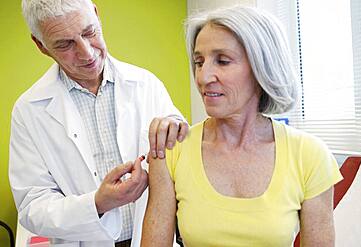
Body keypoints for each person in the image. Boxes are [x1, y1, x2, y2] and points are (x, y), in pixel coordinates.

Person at [141, 5, 343, 247]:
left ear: (261, 69)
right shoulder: (172, 150)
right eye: (199, 61)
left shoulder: (310, 155)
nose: (203, 77)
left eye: (223, 61)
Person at [9, 0, 188, 246]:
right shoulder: (28, 110)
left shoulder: (146, 85)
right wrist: (98, 203)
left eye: (89, 32)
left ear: (95, 13)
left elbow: (179, 149)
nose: (86, 53)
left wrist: (177, 129)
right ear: (41, 45)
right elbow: (32, 206)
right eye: (65, 44)